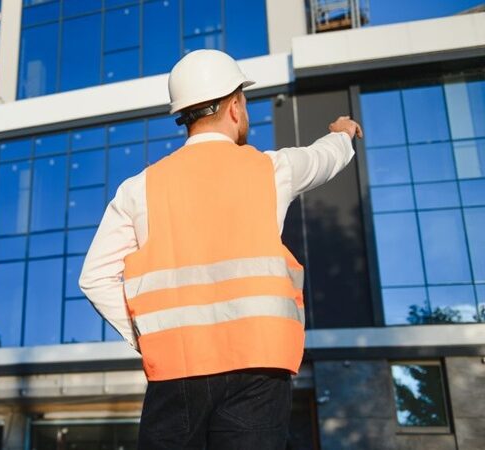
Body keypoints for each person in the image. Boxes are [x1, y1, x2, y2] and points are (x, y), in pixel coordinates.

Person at [78, 49, 363, 449]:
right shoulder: (271, 170)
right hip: (259, 369)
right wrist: (343, 131)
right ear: (233, 106)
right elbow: (324, 158)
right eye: (244, 102)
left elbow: (94, 278)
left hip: (177, 371)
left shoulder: (139, 188)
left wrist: (148, 337)